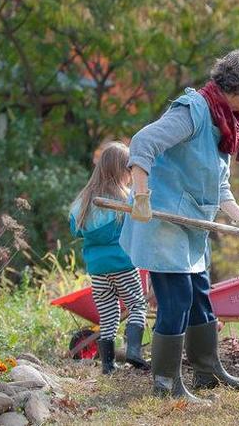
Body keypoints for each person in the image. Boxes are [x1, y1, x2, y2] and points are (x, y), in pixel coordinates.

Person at [120, 48, 239, 401]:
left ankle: (207, 370)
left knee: (200, 298)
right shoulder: (192, 112)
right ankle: (166, 384)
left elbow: (218, 185)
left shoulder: (223, 121)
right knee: (176, 301)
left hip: (192, 224)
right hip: (162, 222)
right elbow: (143, 142)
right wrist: (140, 196)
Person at [69, 141, 149, 375]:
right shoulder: (126, 199)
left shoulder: (82, 202)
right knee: (136, 305)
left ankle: (108, 366)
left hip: (97, 268)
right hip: (122, 263)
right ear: (122, 171)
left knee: (108, 313)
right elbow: (139, 226)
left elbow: (75, 230)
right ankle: (133, 350)